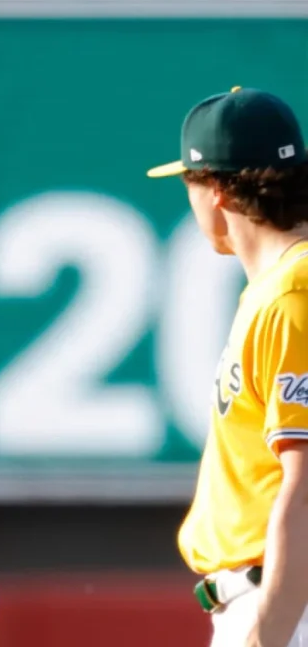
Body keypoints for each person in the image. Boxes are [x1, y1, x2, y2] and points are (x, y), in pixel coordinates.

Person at [147, 85, 308, 647]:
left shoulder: (292, 291)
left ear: (215, 189)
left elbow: (304, 483)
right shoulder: (279, 287)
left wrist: (270, 632)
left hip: (282, 602)